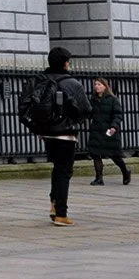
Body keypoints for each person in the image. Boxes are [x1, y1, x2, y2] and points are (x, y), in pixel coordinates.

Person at [24, 46, 91, 226]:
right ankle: (61, 213)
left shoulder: (37, 81)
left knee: (57, 168)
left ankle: (54, 203)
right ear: (64, 63)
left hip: (46, 134)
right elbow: (85, 109)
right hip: (65, 135)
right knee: (64, 171)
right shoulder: (72, 83)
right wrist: (73, 121)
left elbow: (23, 110)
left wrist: (38, 128)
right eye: (68, 61)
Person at [87, 78, 130, 186]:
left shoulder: (113, 99)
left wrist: (114, 127)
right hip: (96, 131)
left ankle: (125, 171)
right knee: (96, 154)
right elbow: (88, 113)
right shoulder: (92, 100)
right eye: (95, 84)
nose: (96, 86)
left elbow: (118, 115)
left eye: (99, 84)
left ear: (105, 86)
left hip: (109, 131)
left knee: (115, 156)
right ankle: (99, 178)